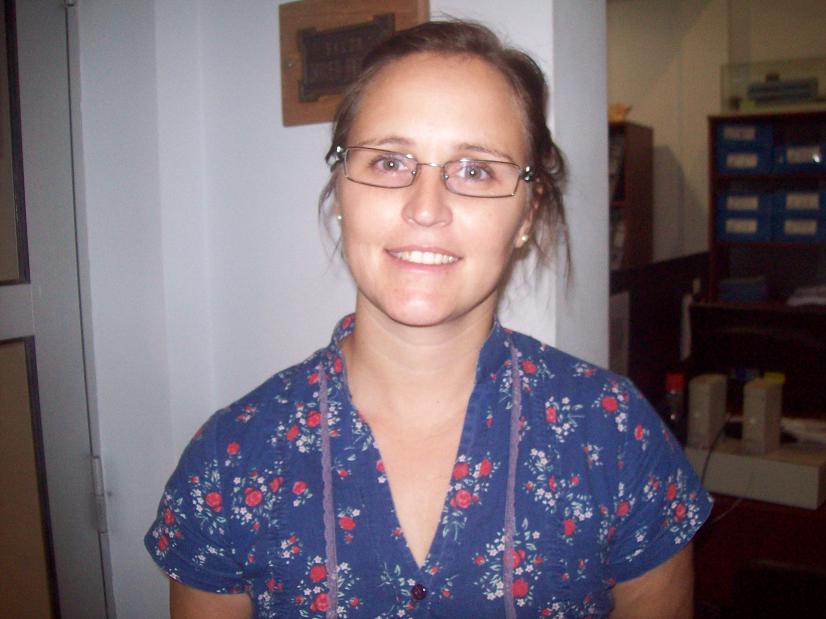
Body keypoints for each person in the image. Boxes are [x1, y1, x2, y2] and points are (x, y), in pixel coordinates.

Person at [145, 19, 711, 619]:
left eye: (475, 170)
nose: (425, 208)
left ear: (526, 215)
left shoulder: (614, 435)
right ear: (342, 190)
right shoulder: (232, 458)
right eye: (390, 162)